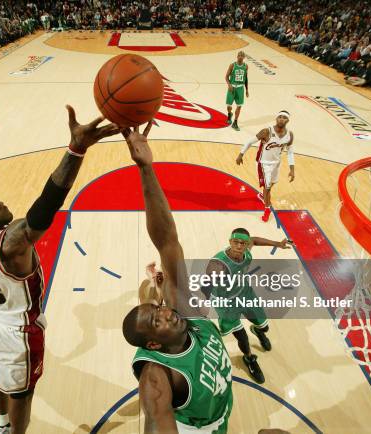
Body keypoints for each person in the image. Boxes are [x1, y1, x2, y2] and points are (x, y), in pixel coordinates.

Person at [0, 106, 118, 434]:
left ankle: (2, 424)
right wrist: (76, 149)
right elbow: (49, 201)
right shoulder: (11, 243)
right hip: (18, 328)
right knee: (23, 393)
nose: (0, 203)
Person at [121, 123, 233, 433]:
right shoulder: (157, 377)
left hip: (220, 411)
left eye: (159, 311)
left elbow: (167, 240)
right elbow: (156, 423)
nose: (167, 312)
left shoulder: (183, 311)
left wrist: (146, 168)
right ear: (154, 343)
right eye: (158, 321)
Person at [203, 228, 292, 383]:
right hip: (227, 304)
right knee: (242, 338)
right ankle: (249, 359)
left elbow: (255, 239)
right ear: (230, 241)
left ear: (246, 245)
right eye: (235, 242)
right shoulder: (217, 265)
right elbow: (205, 288)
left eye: (243, 243)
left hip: (245, 293)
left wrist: (278, 244)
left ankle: (257, 331)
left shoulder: (247, 251)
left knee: (264, 326)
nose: (239, 246)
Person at [236, 111, 294, 222]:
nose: (281, 119)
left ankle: (263, 196)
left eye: (284, 118)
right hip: (264, 163)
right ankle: (267, 209)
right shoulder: (266, 131)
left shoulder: (289, 135)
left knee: (271, 184)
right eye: (280, 117)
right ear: (276, 118)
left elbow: (290, 152)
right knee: (267, 188)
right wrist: (241, 154)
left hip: (277, 163)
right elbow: (249, 142)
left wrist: (292, 169)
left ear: (288, 120)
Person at [225, 51, 249, 131]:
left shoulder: (246, 66)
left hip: (240, 88)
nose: (240, 57)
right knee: (229, 105)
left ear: (244, 57)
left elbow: (246, 79)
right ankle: (229, 114)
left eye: (242, 56)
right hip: (232, 88)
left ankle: (235, 122)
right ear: (237, 56)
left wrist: (247, 90)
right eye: (239, 55)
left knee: (239, 106)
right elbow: (226, 77)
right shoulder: (232, 65)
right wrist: (229, 85)